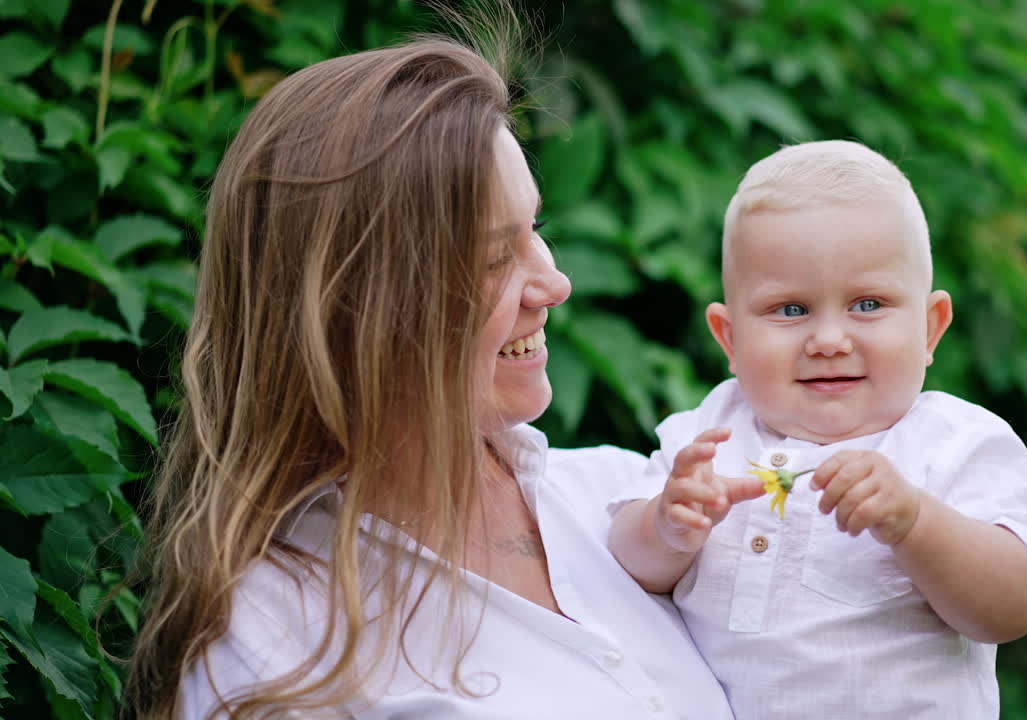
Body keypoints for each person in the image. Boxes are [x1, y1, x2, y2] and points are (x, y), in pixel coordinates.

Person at [124, 19, 735, 720]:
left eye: (536, 231)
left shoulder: (625, 500)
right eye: (493, 258)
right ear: (356, 312)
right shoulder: (277, 648)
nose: (555, 284)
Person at [608, 140, 1027, 718]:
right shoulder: (709, 433)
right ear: (730, 339)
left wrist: (916, 522)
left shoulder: (955, 443)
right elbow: (626, 563)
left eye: (867, 304)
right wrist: (666, 527)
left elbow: (1013, 607)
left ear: (929, 328)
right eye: (790, 310)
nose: (828, 340)